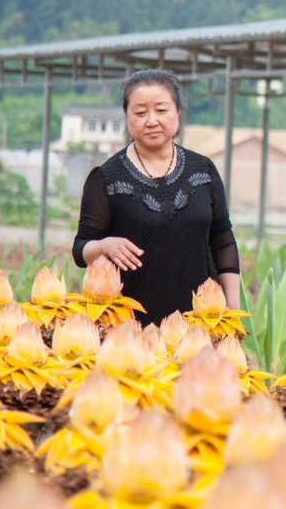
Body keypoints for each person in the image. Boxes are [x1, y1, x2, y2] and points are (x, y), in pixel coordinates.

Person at [72, 69, 240, 326]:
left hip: (201, 322)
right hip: (129, 325)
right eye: (140, 113)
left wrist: (232, 312)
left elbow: (223, 243)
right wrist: (106, 246)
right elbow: (81, 249)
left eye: (161, 110)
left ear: (178, 113)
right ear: (127, 117)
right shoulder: (106, 178)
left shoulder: (203, 171)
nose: (151, 120)